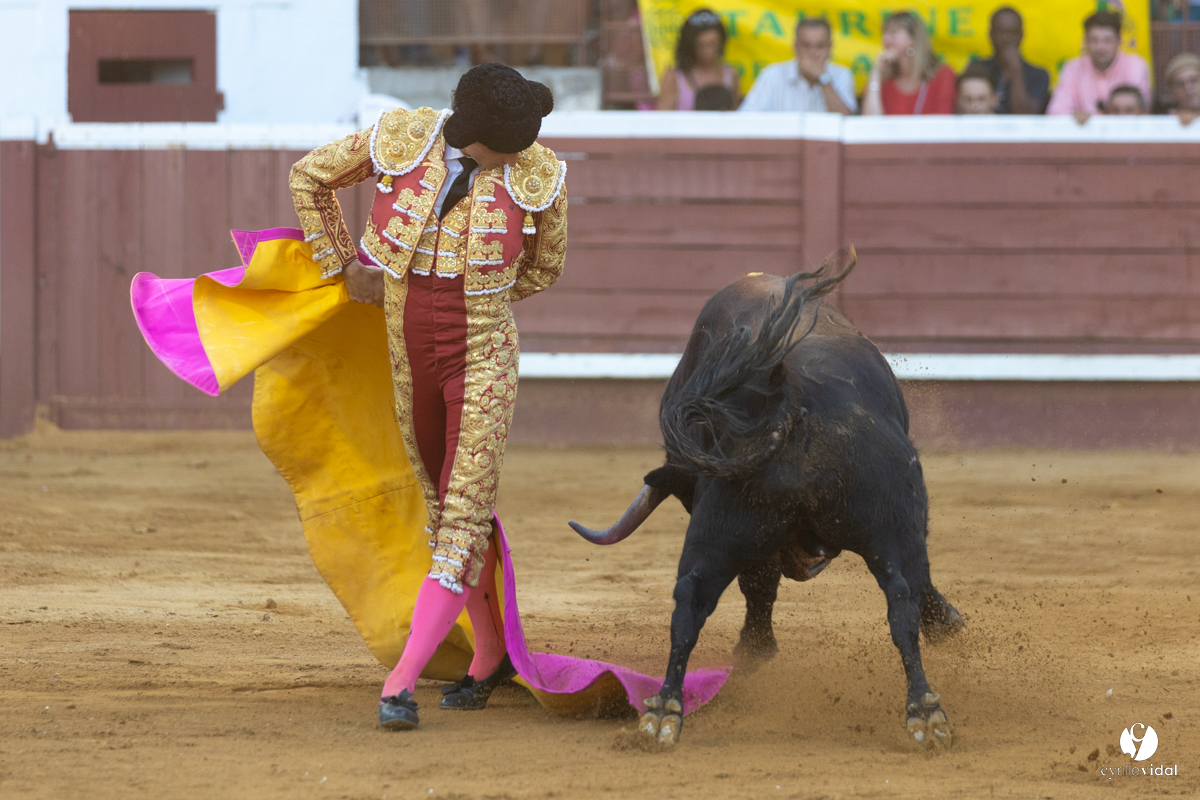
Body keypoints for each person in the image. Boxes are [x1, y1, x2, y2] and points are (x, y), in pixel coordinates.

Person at [290, 63, 567, 730]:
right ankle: (490, 653)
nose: (525, 154)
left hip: (484, 360)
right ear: (484, 141)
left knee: (462, 521)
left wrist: (485, 302)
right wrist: (341, 267)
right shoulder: (402, 137)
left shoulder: (536, 174)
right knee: (446, 510)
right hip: (411, 358)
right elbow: (309, 175)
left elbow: (545, 266)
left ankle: (400, 684)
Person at [1046, 11, 1151, 121]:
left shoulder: (1135, 65)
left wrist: (1091, 120)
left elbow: (1137, 112)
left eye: (1107, 40)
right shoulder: (1072, 68)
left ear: (1119, 41)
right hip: (1085, 137)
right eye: (1094, 40)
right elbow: (1055, 113)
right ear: (1085, 41)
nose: (1100, 47)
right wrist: (1075, 118)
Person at [738, 17, 856, 113]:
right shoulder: (772, 75)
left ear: (830, 47)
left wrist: (824, 79)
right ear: (795, 47)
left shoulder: (842, 75)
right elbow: (746, 118)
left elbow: (846, 122)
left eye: (820, 46)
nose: (813, 53)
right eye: (806, 46)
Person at [862, 11, 957, 115]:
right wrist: (875, 74)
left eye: (893, 32)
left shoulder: (942, 74)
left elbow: (942, 120)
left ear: (913, 37)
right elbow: (870, 124)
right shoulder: (884, 79)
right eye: (884, 33)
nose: (885, 39)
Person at [968, 7, 1050, 114]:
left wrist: (1016, 71)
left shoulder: (1039, 75)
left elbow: (1026, 117)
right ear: (991, 35)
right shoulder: (977, 69)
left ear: (1021, 36)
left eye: (1012, 33)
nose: (1006, 39)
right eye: (1001, 32)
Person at [657, 8, 741, 111]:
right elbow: (664, 119)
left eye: (713, 44)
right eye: (701, 45)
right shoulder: (674, 77)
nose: (708, 51)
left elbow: (735, 117)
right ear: (689, 45)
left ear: (721, 42)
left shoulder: (730, 75)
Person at [1165, 52, 1200, 125]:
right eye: (1180, 84)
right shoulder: (1164, 121)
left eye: (1193, 80)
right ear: (1172, 92)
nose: (1188, 88)